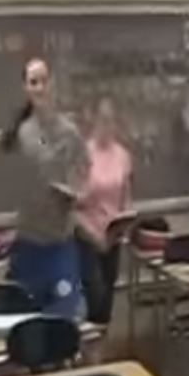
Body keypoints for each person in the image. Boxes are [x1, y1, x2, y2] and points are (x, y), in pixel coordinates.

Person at [0, 58, 88, 318]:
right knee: (25, 323)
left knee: (66, 321)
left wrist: (73, 194)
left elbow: (84, 180)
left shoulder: (70, 133)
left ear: (53, 83)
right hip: (29, 244)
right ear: (26, 88)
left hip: (60, 244)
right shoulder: (19, 133)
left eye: (44, 81)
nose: (40, 88)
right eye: (34, 82)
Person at [75, 97, 133, 325]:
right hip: (87, 237)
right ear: (94, 120)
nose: (107, 125)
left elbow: (126, 197)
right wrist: (92, 236)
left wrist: (125, 222)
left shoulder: (123, 156)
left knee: (107, 299)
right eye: (103, 119)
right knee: (95, 296)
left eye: (111, 120)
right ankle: (88, 342)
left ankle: (100, 343)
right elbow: (69, 205)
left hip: (112, 237)